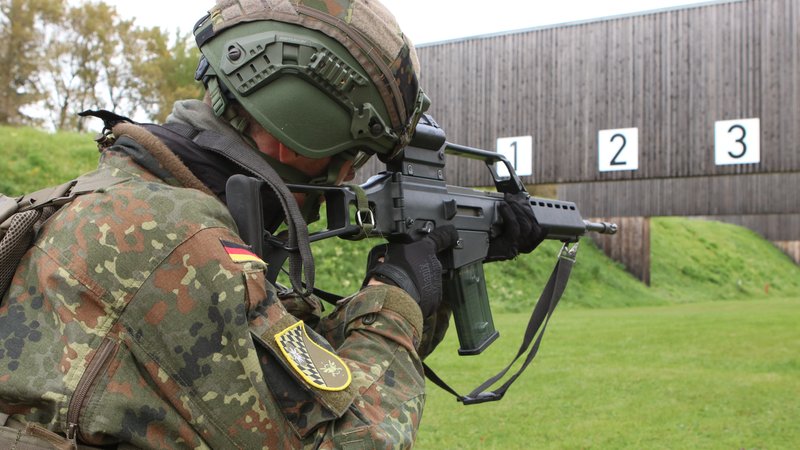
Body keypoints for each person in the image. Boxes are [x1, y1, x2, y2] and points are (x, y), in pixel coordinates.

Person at [0, 0, 543, 448]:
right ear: (295, 132)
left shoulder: (123, 206)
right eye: (354, 155)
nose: (349, 174)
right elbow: (349, 437)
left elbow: (299, 389)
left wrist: (436, 276)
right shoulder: (175, 242)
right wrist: (395, 299)